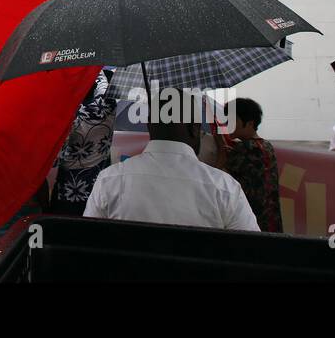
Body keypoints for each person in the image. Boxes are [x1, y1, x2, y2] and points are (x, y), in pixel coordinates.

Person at [84, 90, 259, 232]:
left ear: (150, 126)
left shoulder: (108, 180)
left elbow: (87, 242)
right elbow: (251, 254)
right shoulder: (225, 188)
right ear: (194, 128)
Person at [49, 69, 116, 215]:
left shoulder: (65, 102)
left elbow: (54, 160)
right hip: (102, 188)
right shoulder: (109, 85)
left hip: (69, 193)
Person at [216, 98, 282, 232]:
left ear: (250, 123)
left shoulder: (244, 148)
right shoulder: (267, 146)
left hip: (250, 220)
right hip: (272, 219)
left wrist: (221, 154)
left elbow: (217, 177)